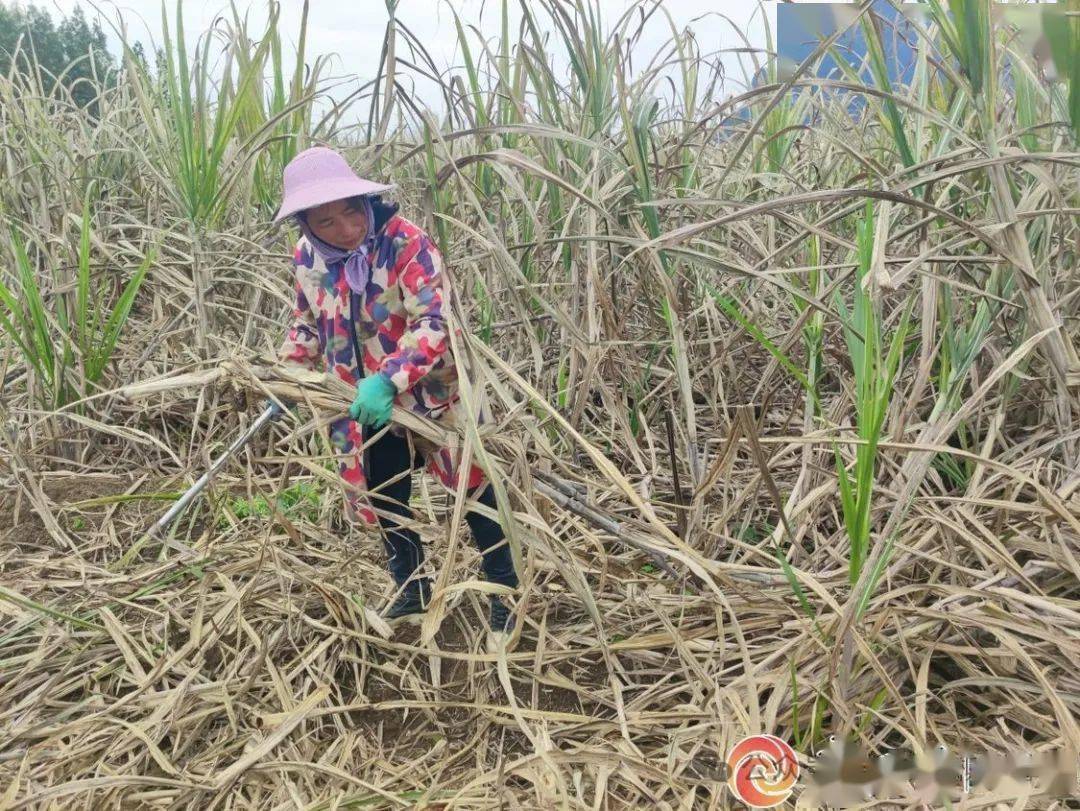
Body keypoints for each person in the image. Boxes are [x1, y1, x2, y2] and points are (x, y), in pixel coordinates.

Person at [267, 146, 520, 643]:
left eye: (350, 212)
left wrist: (390, 378)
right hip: (360, 402)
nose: (345, 230)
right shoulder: (306, 260)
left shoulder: (407, 244)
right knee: (386, 495)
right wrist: (288, 372)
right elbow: (306, 323)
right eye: (326, 221)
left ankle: (504, 593)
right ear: (305, 224)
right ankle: (412, 587)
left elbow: (433, 320)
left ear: (365, 201)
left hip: (435, 394)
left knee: (475, 490)